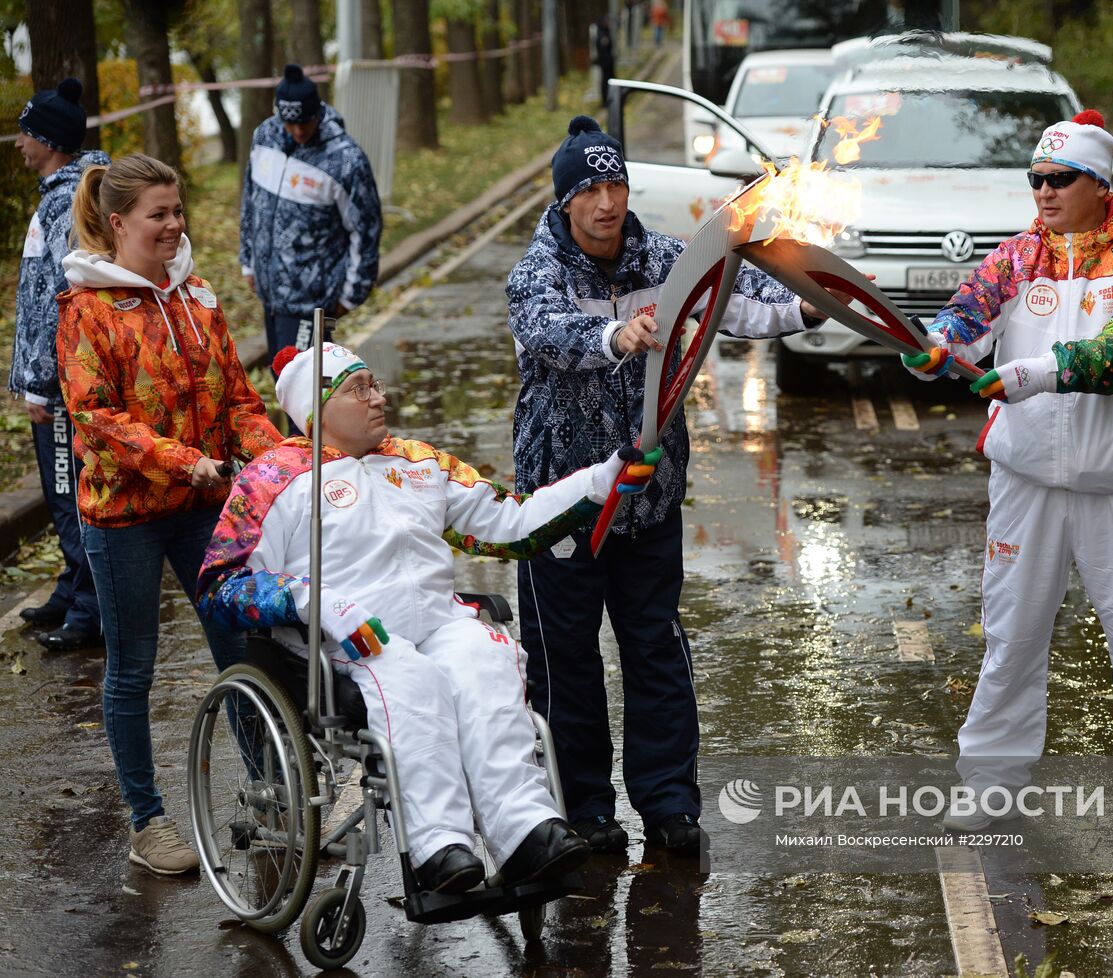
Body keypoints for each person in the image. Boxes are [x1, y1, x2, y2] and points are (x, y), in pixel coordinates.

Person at [196, 342, 661, 893]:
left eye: (376, 383)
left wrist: (598, 482)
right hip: (348, 642)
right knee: (410, 682)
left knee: (483, 661)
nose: (378, 397)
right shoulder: (273, 478)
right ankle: (438, 845)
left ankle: (525, 830)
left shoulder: (419, 462)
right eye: (358, 388)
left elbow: (510, 525)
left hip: (437, 622)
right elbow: (223, 583)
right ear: (316, 409)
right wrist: (312, 601)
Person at [507, 116, 835, 855]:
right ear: (565, 203)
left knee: (654, 647)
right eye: (589, 189)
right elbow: (548, 333)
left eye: (615, 183)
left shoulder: (664, 257)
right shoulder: (538, 274)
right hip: (561, 505)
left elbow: (739, 299)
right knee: (566, 662)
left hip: (647, 502)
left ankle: (668, 804)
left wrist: (815, 303)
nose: (606, 201)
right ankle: (585, 808)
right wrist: (617, 337)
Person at [902, 110, 1113, 845]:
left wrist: (1036, 373)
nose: (1042, 191)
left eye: (1058, 179)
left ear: (1099, 185)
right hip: (1027, 482)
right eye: (1035, 178)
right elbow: (963, 316)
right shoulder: (1016, 258)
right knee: (1011, 639)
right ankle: (990, 786)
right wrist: (934, 344)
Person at [57, 153, 284, 874]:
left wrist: (282, 461)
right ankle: (148, 821)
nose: (174, 225)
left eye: (178, 211)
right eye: (159, 214)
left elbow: (238, 403)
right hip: (122, 516)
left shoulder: (200, 297)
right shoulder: (84, 309)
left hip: (203, 509)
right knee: (132, 669)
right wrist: (186, 461)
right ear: (118, 223)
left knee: (239, 647)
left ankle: (271, 791)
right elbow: (96, 418)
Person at [9, 78, 108, 650]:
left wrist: (43, 384)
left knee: (73, 492)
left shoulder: (72, 200)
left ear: (48, 138)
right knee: (59, 491)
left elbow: (58, 299)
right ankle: (74, 585)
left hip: (64, 383)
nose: (19, 143)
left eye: (26, 132)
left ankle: (91, 607)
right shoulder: (61, 193)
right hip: (51, 379)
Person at [239, 65, 381, 372]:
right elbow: (251, 202)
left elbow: (366, 228)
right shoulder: (264, 137)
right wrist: (248, 261)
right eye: (291, 123)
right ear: (280, 116)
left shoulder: (346, 159)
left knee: (306, 399)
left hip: (310, 302)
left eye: (306, 122)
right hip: (270, 295)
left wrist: (352, 293)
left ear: (317, 111)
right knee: (283, 384)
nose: (299, 131)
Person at [593, 16, 616, 105]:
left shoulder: (606, 32)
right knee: (605, 82)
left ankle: (612, 98)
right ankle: (606, 100)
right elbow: (602, 47)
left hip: (609, 62)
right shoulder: (601, 34)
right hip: (605, 62)